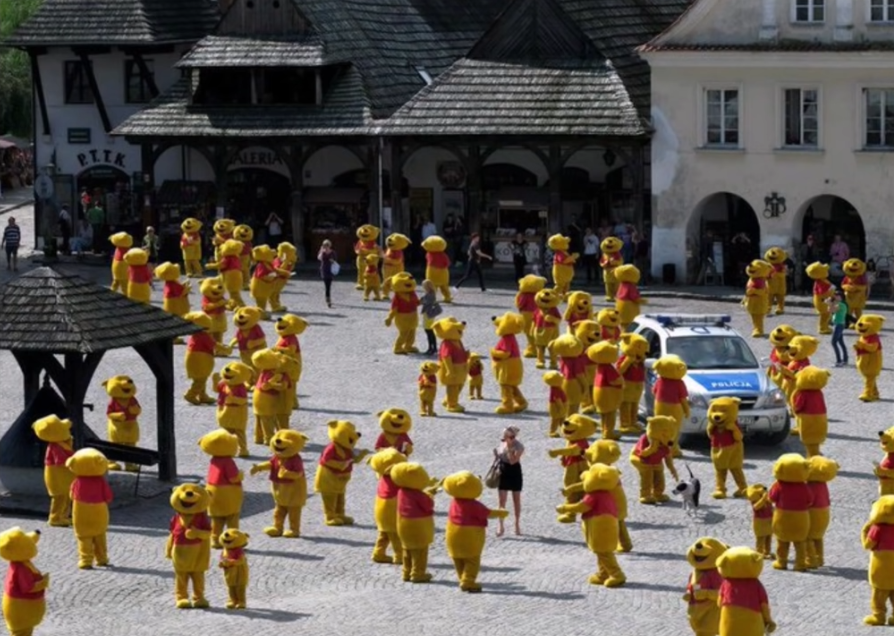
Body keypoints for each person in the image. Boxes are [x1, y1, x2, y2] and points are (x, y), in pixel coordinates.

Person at [493, 426, 523, 536]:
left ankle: (517, 524)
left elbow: (512, 461)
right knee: (502, 501)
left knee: (516, 500)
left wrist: (510, 449)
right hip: (503, 472)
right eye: (504, 435)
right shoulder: (502, 443)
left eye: (507, 436)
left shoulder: (519, 446)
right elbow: (499, 458)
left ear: (513, 436)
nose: (504, 437)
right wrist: (496, 455)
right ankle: (500, 525)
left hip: (514, 472)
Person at [420, 279, 441, 355]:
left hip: (428, 314)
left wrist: (422, 300)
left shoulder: (430, 294)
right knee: (429, 332)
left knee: (429, 331)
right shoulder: (430, 293)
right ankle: (433, 348)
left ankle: (431, 348)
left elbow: (426, 302)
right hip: (428, 314)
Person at [830, 290, 849, 367]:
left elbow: (832, 310)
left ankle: (839, 361)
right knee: (841, 343)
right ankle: (845, 360)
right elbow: (830, 311)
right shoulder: (838, 304)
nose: (836, 297)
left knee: (833, 342)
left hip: (839, 325)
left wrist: (830, 303)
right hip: (838, 324)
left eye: (838, 296)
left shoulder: (841, 304)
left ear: (841, 297)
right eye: (835, 296)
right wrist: (831, 304)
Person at [318, 239, 336, 308]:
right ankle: (328, 299)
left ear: (329, 245)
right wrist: (321, 251)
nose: (326, 247)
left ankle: (327, 297)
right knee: (327, 286)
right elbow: (319, 258)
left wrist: (332, 260)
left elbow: (335, 260)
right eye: (325, 245)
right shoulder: (322, 252)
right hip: (324, 269)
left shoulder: (333, 252)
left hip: (330, 270)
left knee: (329, 285)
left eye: (327, 245)